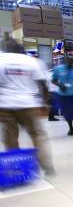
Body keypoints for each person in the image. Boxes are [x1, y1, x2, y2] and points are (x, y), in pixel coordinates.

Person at [0, 38, 54, 175]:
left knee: (11, 138)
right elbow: (42, 84)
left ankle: (15, 169)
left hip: (6, 105)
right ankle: (46, 165)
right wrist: (44, 103)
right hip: (28, 104)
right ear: (19, 48)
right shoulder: (31, 61)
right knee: (36, 135)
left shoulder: (1, 60)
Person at [52, 56, 73, 137]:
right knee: (67, 113)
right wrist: (60, 85)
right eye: (69, 60)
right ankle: (71, 128)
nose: (70, 62)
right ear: (65, 60)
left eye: (72, 61)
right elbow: (53, 80)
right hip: (63, 96)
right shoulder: (58, 69)